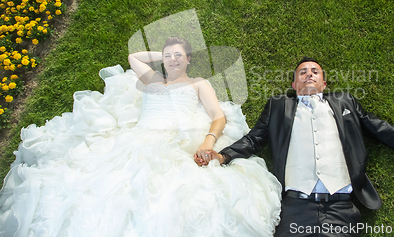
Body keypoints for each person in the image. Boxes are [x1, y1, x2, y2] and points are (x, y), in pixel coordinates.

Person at [0, 36, 281, 237]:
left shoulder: (198, 83)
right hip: (138, 138)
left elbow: (218, 116)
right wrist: (165, 53)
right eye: (168, 55)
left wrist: (208, 140)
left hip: (177, 142)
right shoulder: (153, 80)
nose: (172, 59)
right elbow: (133, 58)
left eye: (179, 55)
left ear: (189, 59)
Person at [204, 56, 394, 237]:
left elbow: (381, 129)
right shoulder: (279, 105)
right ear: (294, 83)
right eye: (302, 72)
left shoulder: (344, 101)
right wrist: (223, 156)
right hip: (294, 207)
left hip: (341, 206)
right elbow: (254, 138)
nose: (309, 74)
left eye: (315, 72)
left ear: (323, 82)